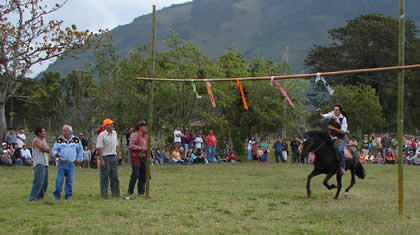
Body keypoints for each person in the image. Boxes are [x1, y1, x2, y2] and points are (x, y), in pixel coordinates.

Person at [52, 125, 83, 200]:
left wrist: (78, 160)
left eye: (66, 130)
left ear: (70, 131)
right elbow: (54, 150)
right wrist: (56, 153)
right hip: (61, 163)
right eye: (63, 130)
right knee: (59, 180)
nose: (64, 132)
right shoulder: (59, 140)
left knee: (70, 181)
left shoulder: (76, 140)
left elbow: (80, 151)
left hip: (71, 164)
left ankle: (68, 195)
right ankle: (57, 195)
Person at [317, 104, 348, 175]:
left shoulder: (343, 119)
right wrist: (319, 112)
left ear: (340, 111)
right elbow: (323, 116)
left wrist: (333, 128)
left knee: (340, 151)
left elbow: (343, 131)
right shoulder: (332, 115)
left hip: (341, 138)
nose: (335, 111)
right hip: (332, 137)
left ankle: (343, 168)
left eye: (336, 110)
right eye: (334, 109)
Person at [96, 118, 121, 199]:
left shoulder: (114, 133)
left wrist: (118, 154)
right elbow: (100, 147)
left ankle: (116, 194)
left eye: (112, 124)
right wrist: (101, 159)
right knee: (104, 177)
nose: (112, 125)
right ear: (105, 126)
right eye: (110, 124)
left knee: (114, 177)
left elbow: (116, 145)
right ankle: (104, 195)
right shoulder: (102, 135)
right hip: (105, 157)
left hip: (113, 156)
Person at [29, 128, 50, 201]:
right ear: (39, 133)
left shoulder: (43, 140)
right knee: (38, 182)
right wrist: (46, 148)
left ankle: (40, 196)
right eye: (43, 131)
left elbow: (48, 149)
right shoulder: (36, 140)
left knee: (45, 182)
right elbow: (44, 149)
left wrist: (46, 148)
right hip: (39, 163)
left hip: (45, 163)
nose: (45, 133)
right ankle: (33, 197)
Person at [128, 121, 148, 196]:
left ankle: (141, 192)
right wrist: (141, 148)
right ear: (140, 127)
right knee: (135, 174)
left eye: (146, 126)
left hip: (143, 157)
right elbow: (131, 145)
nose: (146, 128)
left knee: (144, 175)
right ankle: (130, 191)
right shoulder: (134, 135)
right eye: (144, 126)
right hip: (135, 157)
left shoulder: (146, 136)